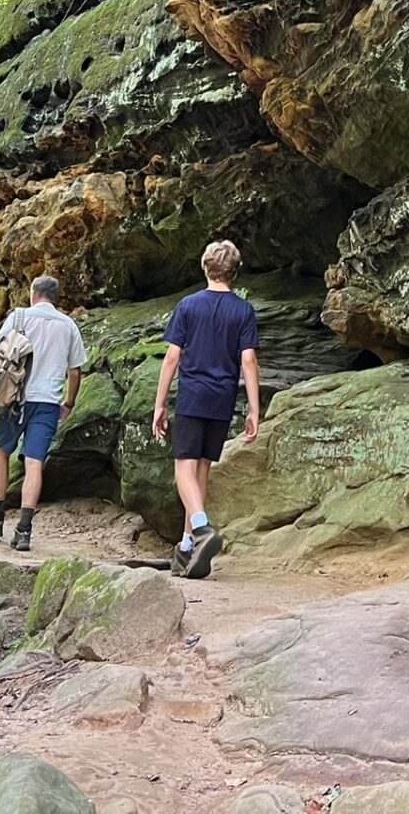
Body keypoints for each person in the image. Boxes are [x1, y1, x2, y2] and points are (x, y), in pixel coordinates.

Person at [151, 240, 260, 579]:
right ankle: (187, 547)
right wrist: (254, 409)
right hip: (222, 398)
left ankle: (201, 528)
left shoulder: (188, 306)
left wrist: (159, 404)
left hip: (193, 395)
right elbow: (248, 360)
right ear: (235, 272)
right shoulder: (243, 311)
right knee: (200, 472)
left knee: (182, 469)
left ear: (204, 267)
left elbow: (172, 357)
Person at [0, 273, 85, 552]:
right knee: (34, 462)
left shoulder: (20, 317)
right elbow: (75, 371)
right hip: (48, 402)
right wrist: (69, 403)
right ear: (54, 297)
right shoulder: (69, 325)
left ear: (34, 293)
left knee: (2, 452)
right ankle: (24, 531)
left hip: (13, 399)